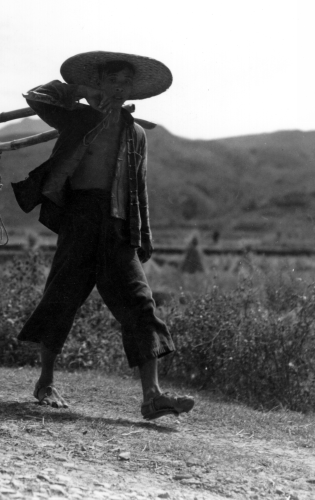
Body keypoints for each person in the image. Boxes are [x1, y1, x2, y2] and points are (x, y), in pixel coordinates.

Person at [12, 51, 194, 420]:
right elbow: (37, 96)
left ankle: (152, 397)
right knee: (62, 296)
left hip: (118, 224)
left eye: (125, 82)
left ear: (133, 89)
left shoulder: (135, 133)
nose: (119, 87)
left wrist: (143, 235)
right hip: (79, 215)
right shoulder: (77, 116)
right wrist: (81, 92)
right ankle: (45, 382)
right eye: (112, 80)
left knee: (140, 304)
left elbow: (138, 186)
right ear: (99, 82)